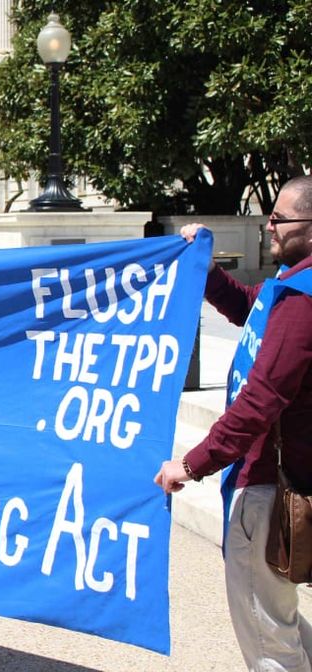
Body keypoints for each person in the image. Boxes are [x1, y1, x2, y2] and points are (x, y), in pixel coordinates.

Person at [154, 175, 312, 670]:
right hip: (276, 476)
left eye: (280, 219)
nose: (269, 225)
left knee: (269, 642)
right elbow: (252, 308)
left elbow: (261, 400)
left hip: (268, 485)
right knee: (281, 624)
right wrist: (207, 271)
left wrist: (192, 463)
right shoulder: (290, 286)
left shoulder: (304, 300)